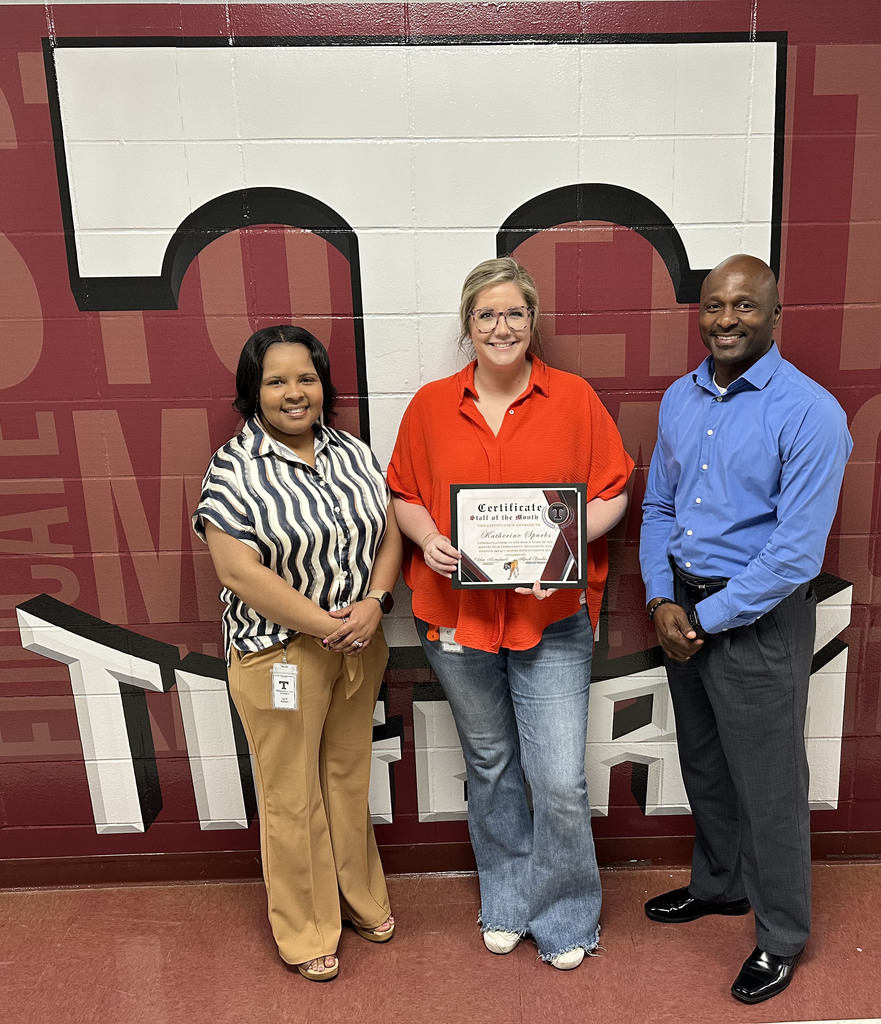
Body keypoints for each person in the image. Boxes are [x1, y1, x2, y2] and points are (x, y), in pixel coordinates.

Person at [387, 257, 633, 969]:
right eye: (487, 314)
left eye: (515, 314)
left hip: (550, 616)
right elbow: (403, 491)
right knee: (491, 765)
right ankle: (506, 900)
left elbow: (613, 491)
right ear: (468, 327)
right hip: (457, 620)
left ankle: (565, 916)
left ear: (531, 323)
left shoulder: (573, 398)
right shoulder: (431, 405)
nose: (502, 327)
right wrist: (428, 537)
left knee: (557, 778)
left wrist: (562, 545)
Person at [640, 254, 852, 1004]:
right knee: (702, 763)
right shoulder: (679, 399)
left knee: (768, 789)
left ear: (773, 315)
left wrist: (700, 618)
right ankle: (720, 884)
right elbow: (658, 509)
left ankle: (780, 935)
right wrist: (662, 600)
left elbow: (794, 553)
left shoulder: (809, 412)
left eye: (743, 307)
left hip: (753, 621)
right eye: (713, 306)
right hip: (683, 614)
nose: (725, 319)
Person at [192, 325, 401, 982]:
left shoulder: (354, 453)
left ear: (323, 384)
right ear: (252, 391)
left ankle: (360, 898)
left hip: (359, 645)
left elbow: (390, 534)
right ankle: (307, 927)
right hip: (278, 655)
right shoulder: (232, 467)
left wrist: (376, 602)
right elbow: (237, 571)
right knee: (291, 797)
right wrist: (322, 624)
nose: (293, 393)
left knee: (346, 780)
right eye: (276, 380)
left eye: (304, 378)